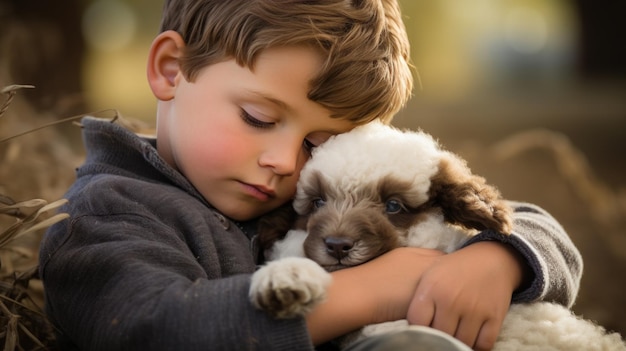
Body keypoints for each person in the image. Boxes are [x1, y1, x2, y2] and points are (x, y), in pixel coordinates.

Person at [38, 0, 582, 350]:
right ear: (171, 70)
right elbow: (155, 330)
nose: (284, 161)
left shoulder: (305, 193)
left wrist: (497, 259)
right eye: (259, 119)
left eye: (319, 145)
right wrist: (374, 290)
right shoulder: (106, 218)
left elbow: (532, 226)